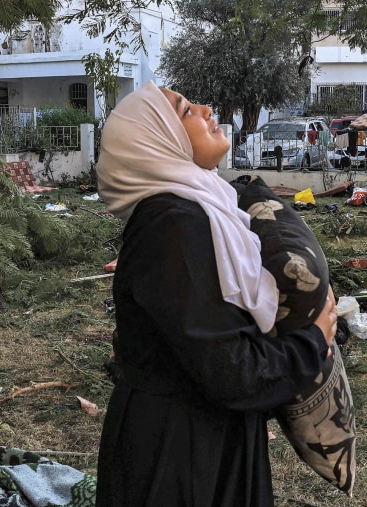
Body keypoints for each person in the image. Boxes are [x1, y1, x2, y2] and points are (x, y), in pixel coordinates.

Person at [94, 80, 338, 507]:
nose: (206, 110)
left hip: (203, 435)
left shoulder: (197, 210)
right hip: (179, 455)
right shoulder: (173, 225)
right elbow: (231, 370)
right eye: (185, 109)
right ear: (157, 138)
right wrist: (313, 341)